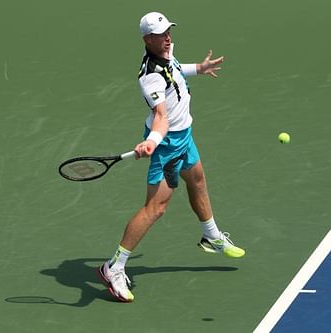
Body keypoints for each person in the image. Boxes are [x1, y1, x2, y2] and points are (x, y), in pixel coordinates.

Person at [97, 12, 245, 302]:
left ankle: (212, 236)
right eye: (161, 35)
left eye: (169, 32)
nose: (168, 38)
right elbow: (160, 116)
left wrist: (198, 69)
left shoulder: (166, 52)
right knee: (156, 208)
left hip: (184, 135)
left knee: (198, 180)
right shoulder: (149, 75)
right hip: (167, 144)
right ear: (146, 40)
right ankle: (114, 267)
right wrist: (152, 141)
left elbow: (175, 72)